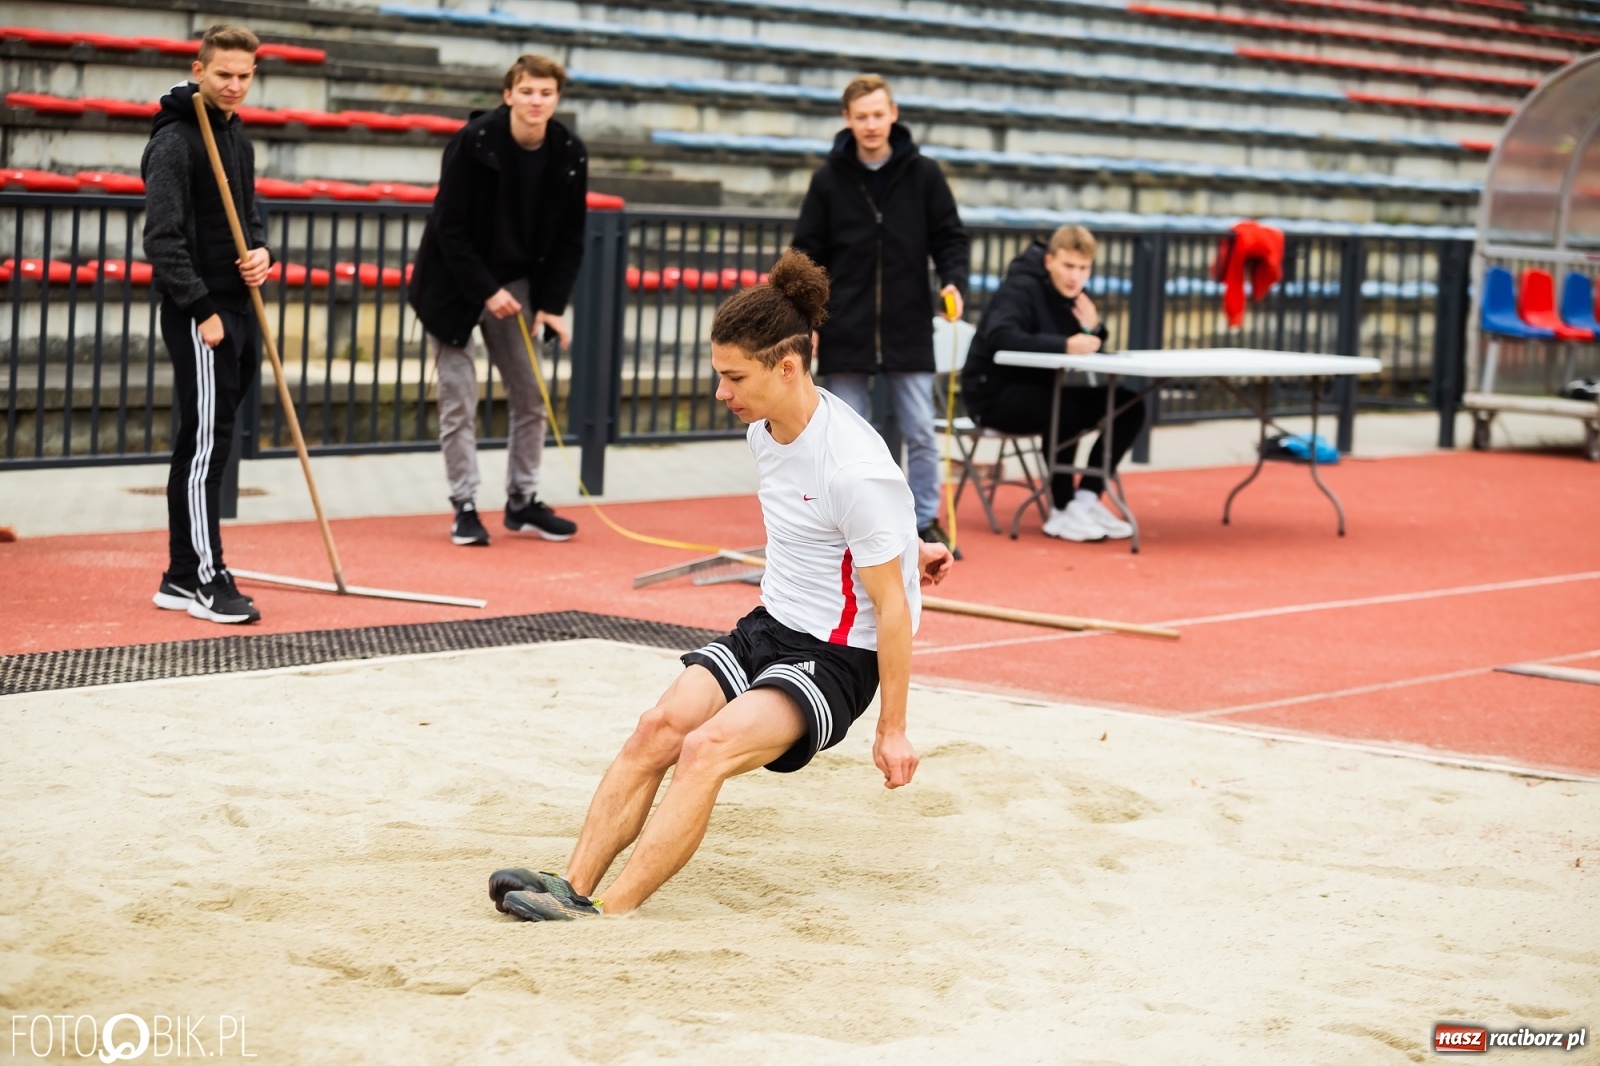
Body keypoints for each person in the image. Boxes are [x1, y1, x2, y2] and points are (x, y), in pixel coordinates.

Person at [486, 250, 954, 921]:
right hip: (770, 625)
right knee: (659, 728)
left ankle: (610, 912)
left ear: (787, 368)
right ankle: (572, 886)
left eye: (734, 376)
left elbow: (892, 605)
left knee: (704, 749)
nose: (720, 391)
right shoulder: (765, 429)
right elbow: (836, 528)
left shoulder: (856, 466)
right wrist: (910, 543)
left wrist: (894, 729)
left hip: (835, 656)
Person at [408, 54, 586, 547]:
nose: (536, 101)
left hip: (519, 283)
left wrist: (551, 304)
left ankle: (522, 501)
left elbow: (572, 235)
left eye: (546, 93)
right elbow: (450, 226)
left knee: (531, 395)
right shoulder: (475, 142)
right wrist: (487, 290)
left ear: (556, 99)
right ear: (509, 94)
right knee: (459, 398)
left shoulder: (569, 151)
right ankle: (464, 505)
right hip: (454, 283)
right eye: (527, 91)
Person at [791, 74, 969, 557]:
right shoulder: (828, 179)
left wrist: (953, 280)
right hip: (844, 326)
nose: (871, 124)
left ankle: (926, 522)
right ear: (847, 120)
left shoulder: (924, 174)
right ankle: (849, 525)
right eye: (861, 116)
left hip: (908, 324)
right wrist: (806, 319)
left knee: (919, 431)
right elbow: (806, 253)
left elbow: (950, 237)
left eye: (878, 113)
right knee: (844, 438)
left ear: (893, 114)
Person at [143, 24, 271, 624]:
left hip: (239, 306)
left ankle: (177, 574)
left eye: (245, 76)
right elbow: (162, 239)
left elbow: (249, 213)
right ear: (199, 69)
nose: (235, 85)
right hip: (203, 313)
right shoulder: (175, 140)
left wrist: (262, 253)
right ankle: (203, 576)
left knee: (209, 442)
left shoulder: (235, 137)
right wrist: (201, 310)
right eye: (224, 74)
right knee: (204, 447)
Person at [962, 225, 1144, 543]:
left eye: (1083, 268)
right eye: (1068, 266)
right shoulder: (1019, 288)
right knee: (1065, 409)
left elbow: (1082, 341)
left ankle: (1086, 499)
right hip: (992, 396)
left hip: (1042, 392)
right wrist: (1063, 345)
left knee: (1129, 404)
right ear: (1049, 261)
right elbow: (1000, 336)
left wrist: (1096, 329)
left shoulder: (1071, 295)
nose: (1075, 276)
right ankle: (1061, 507)